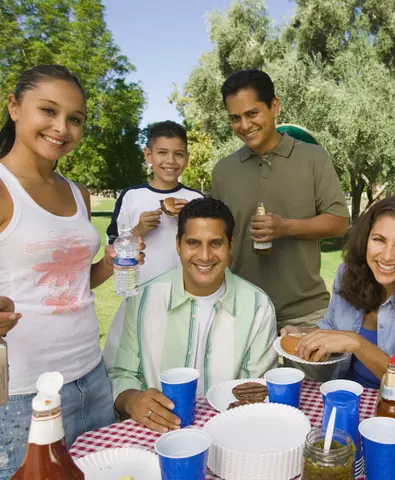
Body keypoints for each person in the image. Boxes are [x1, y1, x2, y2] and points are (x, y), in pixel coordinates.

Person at [0, 64, 144, 479]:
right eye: (48, 111)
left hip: (91, 376)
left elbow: (75, 281)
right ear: (14, 107)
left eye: (74, 119)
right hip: (26, 393)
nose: (61, 128)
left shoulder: (77, 192)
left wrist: (111, 264)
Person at [104, 197, 278, 433]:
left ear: (231, 244)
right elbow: (119, 373)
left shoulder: (258, 306)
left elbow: (254, 389)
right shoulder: (141, 300)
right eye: (193, 243)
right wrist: (133, 400)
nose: (204, 256)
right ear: (178, 244)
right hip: (153, 434)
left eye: (215, 243)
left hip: (229, 432)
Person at [282, 196, 395, 396]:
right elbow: (331, 326)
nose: (387, 256)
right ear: (366, 239)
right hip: (345, 396)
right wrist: (302, 333)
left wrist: (357, 343)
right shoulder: (348, 273)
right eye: (379, 240)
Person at [211, 69, 349, 330]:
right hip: (241, 311)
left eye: (252, 113)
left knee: (314, 374)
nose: (244, 125)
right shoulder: (223, 171)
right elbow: (217, 239)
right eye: (235, 118)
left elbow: (339, 222)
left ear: (274, 106)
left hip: (306, 310)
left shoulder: (314, 158)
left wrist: (286, 228)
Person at [106, 120, 203, 284]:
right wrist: (138, 230)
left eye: (178, 154)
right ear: (148, 155)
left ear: (186, 158)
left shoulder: (196, 199)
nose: (170, 160)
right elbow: (113, 249)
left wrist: (192, 218)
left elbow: (208, 243)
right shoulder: (131, 196)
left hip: (187, 290)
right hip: (141, 289)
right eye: (162, 152)